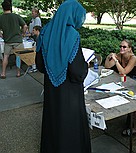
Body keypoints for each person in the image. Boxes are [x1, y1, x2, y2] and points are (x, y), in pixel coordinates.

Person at [35, 0, 91, 153]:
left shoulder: (45, 31)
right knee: (70, 125)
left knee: (52, 121)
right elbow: (77, 71)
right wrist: (85, 65)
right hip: (70, 93)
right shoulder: (72, 34)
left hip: (51, 89)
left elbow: (39, 65)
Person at [0, 0, 27, 79]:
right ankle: (18, 73)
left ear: (3, 8)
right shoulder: (16, 16)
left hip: (7, 41)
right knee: (18, 56)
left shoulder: (1, 18)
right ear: (10, 7)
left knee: (5, 57)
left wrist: (1, 35)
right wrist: (23, 34)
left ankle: (3, 73)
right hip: (18, 40)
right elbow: (25, 26)